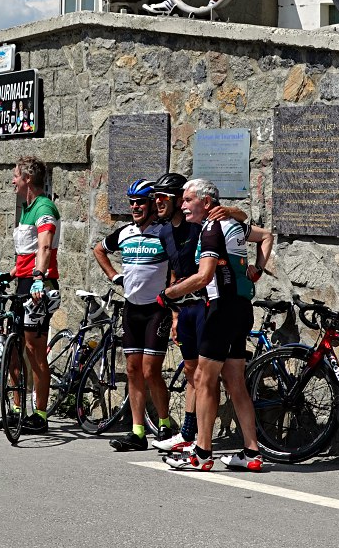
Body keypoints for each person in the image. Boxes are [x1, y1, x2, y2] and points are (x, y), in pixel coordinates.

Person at [160, 178, 273, 472]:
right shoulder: (231, 224)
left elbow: (204, 276)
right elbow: (267, 235)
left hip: (220, 309)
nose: (182, 205)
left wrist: (169, 294)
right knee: (236, 383)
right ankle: (252, 452)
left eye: (187, 200)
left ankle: (201, 453)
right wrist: (257, 270)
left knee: (205, 381)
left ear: (206, 203)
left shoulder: (211, 228)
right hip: (241, 309)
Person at [93, 178, 177, 450]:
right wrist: (114, 276)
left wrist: (173, 292)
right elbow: (99, 249)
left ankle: (164, 424)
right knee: (132, 370)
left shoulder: (164, 232)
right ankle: (138, 431)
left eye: (140, 201)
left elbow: (177, 264)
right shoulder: (126, 232)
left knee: (151, 370)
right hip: (132, 308)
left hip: (157, 309)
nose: (135, 206)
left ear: (153, 203)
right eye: (132, 202)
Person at [11, 155, 60, 433]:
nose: (13, 180)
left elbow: (44, 247)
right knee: (14, 346)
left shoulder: (44, 207)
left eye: (16, 175)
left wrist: (39, 279)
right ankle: (17, 408)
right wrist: (10, 273)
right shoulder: (25, 207)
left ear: (28, 178)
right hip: (22, 282)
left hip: (39, 285)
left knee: (35, 349)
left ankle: (40, 414)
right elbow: (26, 252)